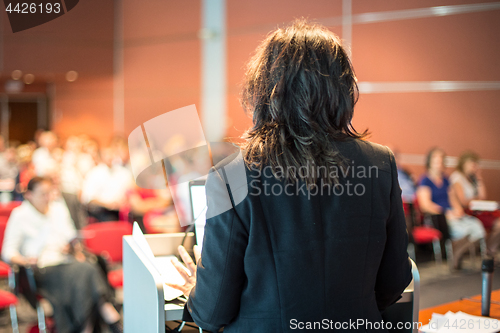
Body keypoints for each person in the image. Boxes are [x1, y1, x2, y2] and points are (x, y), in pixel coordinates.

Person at [166, 20, 412, 332]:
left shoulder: (233, 176)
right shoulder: (380, 164)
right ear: (343, 88)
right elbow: (394, 282)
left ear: (265, 90)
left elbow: (212, 312)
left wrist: (193, 292)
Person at [1, 177, 123, 333]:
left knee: (85, 271)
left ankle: (90, 326)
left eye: (49, 193)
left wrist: (72, 247)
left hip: (66, 262)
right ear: (29, 195)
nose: (48, 198)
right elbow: (8, 251)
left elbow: (70, 236)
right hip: (42, 268)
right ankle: (108, 315)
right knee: (86, 270)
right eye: (43, 194)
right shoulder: (20, 215)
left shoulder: (57, 209)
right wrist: (24, 261)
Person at [416, 147, 486, 269]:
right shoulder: (425, 180)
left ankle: (457, 252)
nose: (439, 163)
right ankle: (455, 252)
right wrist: (446, 212)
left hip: (452, 214)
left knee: (477, 226)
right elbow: (425, 205)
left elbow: (453, 199)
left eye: (441, 160)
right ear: (430, 162)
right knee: (462, 230)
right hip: (438, 217)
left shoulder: (446, 179)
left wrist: (458, 210)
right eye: (436, 160)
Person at [450, 151, 500, 257]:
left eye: (475, 165)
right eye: (472, 164)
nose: (474, 167)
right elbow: (464, 201)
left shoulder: (472, 179)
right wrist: (476, 199)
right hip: (467, 212)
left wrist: (478, 177)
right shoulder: (457, 177)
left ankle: (490, 250)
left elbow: (483, 196)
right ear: (464, 164)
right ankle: (487, 251)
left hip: (478, 210)